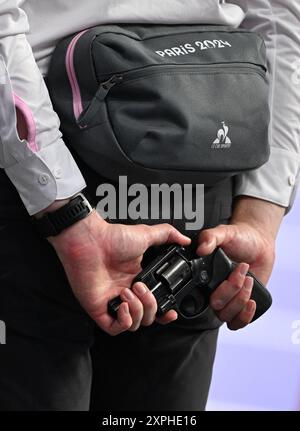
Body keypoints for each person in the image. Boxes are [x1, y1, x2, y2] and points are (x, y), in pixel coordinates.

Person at [0, 0, 299, 411]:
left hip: (38, 160)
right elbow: (279, 15)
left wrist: (63, 208)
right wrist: (262, 204)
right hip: (202, 145)